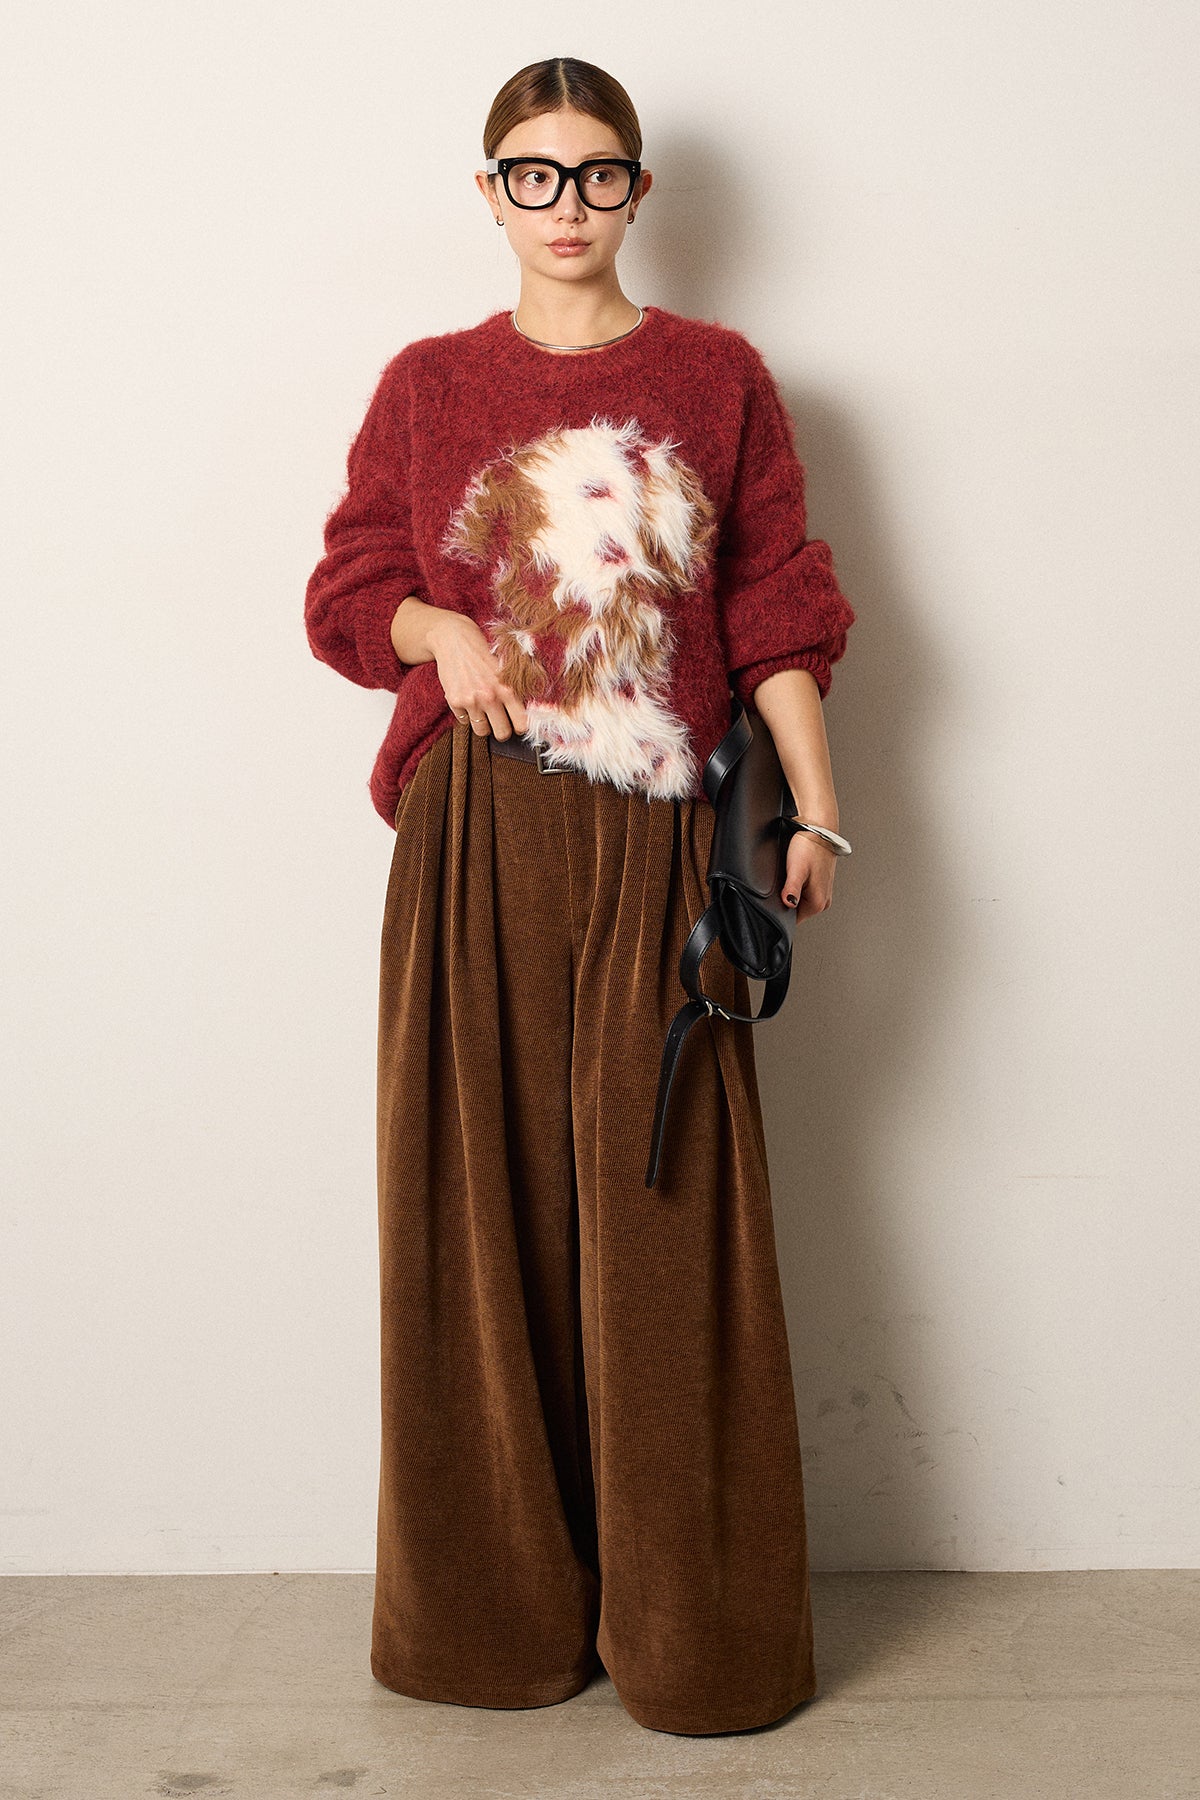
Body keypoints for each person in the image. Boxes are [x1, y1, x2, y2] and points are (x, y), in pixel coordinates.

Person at [303, 56, 856, 1738]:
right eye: (533, 176)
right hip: (473, 829)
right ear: (490, 194)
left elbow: (773, 608)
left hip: (660, 840)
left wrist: (818, 812)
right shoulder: (428, 384)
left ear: (637, 190)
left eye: (597, 173)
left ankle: (695, 1640)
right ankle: (491, 1627)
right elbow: (349, 591)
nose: (567, 205)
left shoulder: (718, 375)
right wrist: (442, 632)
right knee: (475, 1220)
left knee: (668, 1217)